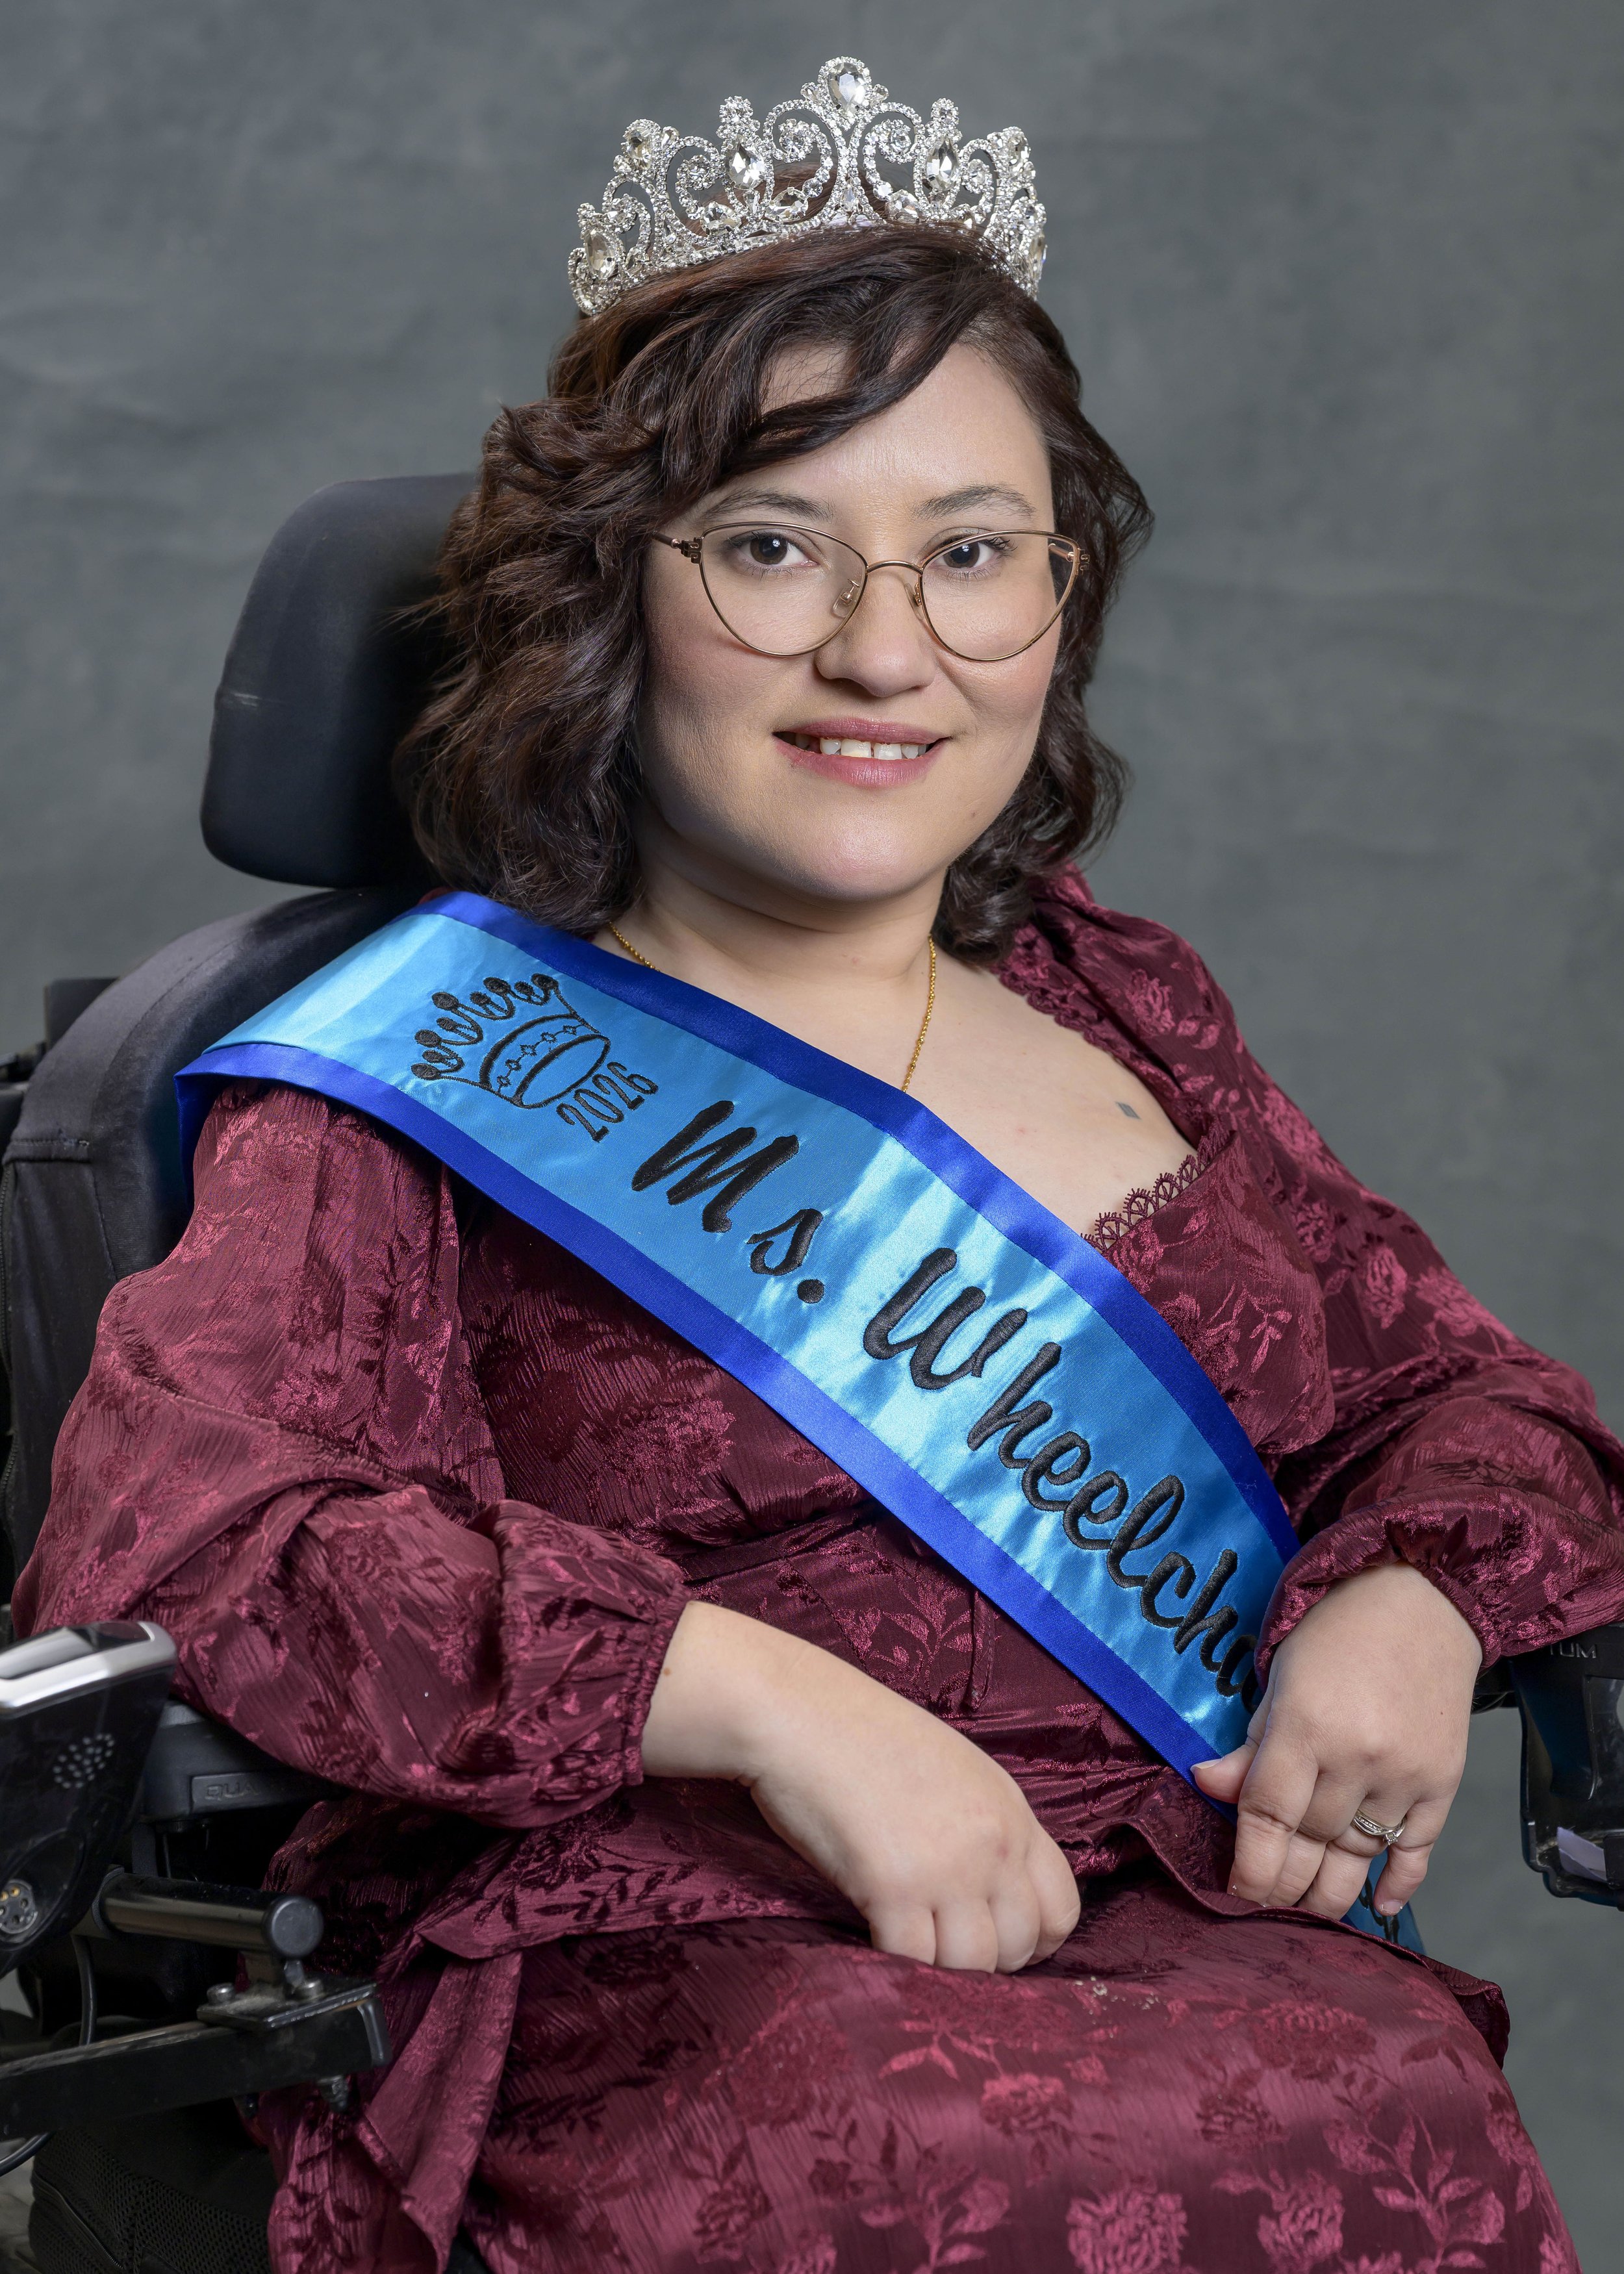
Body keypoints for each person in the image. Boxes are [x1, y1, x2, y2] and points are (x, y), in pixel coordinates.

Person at [16, 55, 1624, 2274]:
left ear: (1056, 600)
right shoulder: (412, 1068)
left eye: (969, 557)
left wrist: (1411, 1598)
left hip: (1186, 1918)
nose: (884, 650)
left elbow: (1465, 1395)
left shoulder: (1121, 1002)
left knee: (1388, 2100)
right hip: (672, 1965)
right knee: (931, 2154)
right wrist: (763, 1700)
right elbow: (202, 1535)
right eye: (773, 548)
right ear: (607, 591)